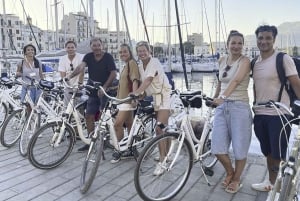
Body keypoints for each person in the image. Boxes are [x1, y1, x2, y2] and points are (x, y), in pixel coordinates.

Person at [251, 25, 300, 191]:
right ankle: (271, 183)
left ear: (273, 40)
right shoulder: (254, 62)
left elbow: (296, 84)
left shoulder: (282, 59)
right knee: (268, 152)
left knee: (278, 153)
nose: (264, 41)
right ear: (256, 39)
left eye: (268, 38)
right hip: (259, 114)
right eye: (260, 38)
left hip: (279, 114)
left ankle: (281, 187)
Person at [211, 30, 252, 194]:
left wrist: (222, 97)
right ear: (227, 44)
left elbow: (235, 80)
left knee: (240, 147)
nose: (236, 46)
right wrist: (214, 99)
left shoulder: (245, 61)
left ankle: (236, 179)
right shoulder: (222, 60)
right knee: (217, 148)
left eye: (239, 43)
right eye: (233, 43)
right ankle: (230, 172)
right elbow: (221, 82)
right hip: (222, 106)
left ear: (243, 45)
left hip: (240, 106)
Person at [69, 37, 117, 152]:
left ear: (102, 45)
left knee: (102, 117)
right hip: (93, 90)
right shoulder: (88, 56)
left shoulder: (108, 57)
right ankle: (90, 141)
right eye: (94, 45)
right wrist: (70, 76)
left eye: (98, 45)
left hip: (106, 90)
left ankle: (103, 141)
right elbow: (81, 67)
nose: (96, 48)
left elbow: (113, 73)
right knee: (89, 116)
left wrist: (105, 87)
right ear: (91, 47)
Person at [132, 41, 171, 176]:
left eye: (144, 50)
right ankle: (166, 154)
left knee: (159, 129)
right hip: (156, 97)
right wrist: (139, 95)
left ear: (149, 51)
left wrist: (136, 92)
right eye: (139, 51)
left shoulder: (154, 62)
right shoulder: (140, 66)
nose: (142, 53)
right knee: (164, 128)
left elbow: (148, 80)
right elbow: (145, 84)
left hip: (165, 96)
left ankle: (162, 161)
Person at [110, 44, 141, 163]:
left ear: (129, 52)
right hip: (122, 100)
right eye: (121, 52)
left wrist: (134, 96)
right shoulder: (126, 65)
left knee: (117, 125)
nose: (122, 54)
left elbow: (135, 80)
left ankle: (120, 150)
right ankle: (131, 148)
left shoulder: (132, 63)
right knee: (129, 124)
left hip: (127, 100)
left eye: (125, 52)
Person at [58, 40, 84, 107]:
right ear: (65, 49)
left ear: (75, 48)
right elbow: (62, 74)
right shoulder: (62, 59)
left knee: (79, 106)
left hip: (79, 85)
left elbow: (82, 71)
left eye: (72, 47)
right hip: (68, 86)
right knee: (67, 106)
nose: (70, 49)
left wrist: (79, 84)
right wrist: (67, 85)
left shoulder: (80, 57)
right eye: (68, 47)